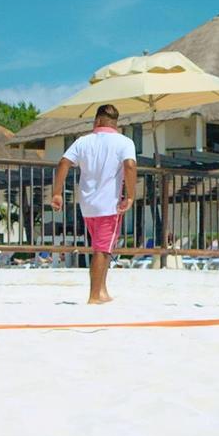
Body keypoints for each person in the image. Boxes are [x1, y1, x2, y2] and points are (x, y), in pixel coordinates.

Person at [51, 104, 136, 304]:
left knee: (102, 247)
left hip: (87, 204)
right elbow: (130, 166)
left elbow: (64, 162)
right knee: (102, 249)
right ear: (116, 123)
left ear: (97, 121)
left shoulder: (83, 141)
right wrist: (130, 196)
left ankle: (103, 290)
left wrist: (57, 192)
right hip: (109, 204)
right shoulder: (125, 142)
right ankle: (94, 295)